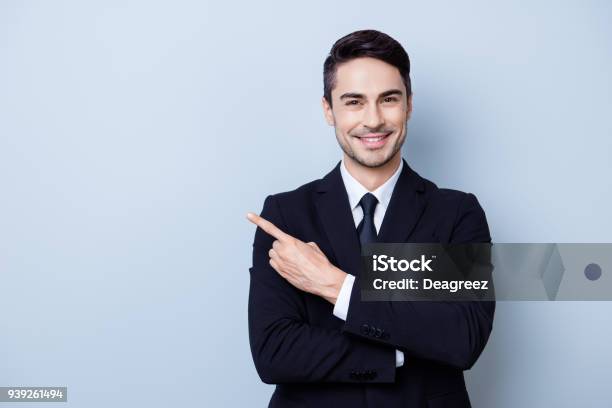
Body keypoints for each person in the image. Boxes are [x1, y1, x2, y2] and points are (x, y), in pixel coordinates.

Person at [246, 29, 494, 408]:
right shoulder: (285, 216)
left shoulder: (457, 214)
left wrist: (335, 286)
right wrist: (400, 349)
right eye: (354, 102)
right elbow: (274, 352)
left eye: (389, 99)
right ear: (329, 110)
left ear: (409, 105)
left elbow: (461, 339)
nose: (373, 119)